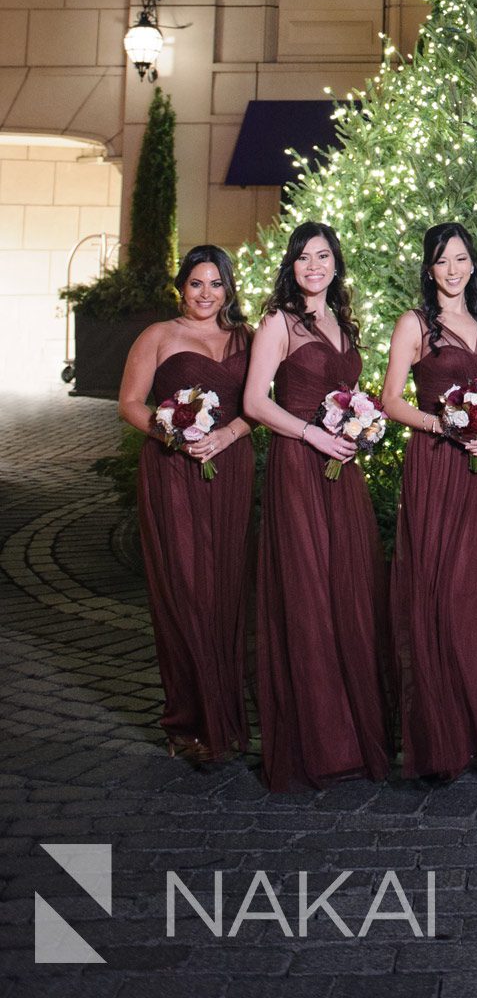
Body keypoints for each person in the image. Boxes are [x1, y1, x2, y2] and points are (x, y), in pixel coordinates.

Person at [243, 221, 392, 791]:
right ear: (292, 265)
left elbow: (353, 395)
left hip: (342, 472)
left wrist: (361, 426)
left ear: (336, 263)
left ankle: (353, 734)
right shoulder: (278, 323)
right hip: (299, 469)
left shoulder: (343, 323)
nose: (314, 266)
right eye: (304, 257)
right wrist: (311, 436)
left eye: (323, 255)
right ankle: (318, 743)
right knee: (306, 595)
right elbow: (256, 401)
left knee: (347, 592)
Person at [383, 222, 477, 780]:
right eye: (442, 260)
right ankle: (439, 735)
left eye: (461, 259)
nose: (452, 269)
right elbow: (390, 399)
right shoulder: (415, 325)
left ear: (473, 264)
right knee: (436, 591)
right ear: (429, 268)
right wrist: (443, 425)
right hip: (436, 466)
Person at [117, 244, 254, 764]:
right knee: (185, 590)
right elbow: (130, 403)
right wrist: (174, 433)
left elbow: (261, 405)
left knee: (223, 590)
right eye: (196, 283)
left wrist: (230, 435)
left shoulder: (248, 338)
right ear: (181, 286)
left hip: (230, 469)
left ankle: (225, 718)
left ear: (228, 288)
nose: (205, 294)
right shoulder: (158, 335)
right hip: (174, 471)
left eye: (215, 284)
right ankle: (187, 722)